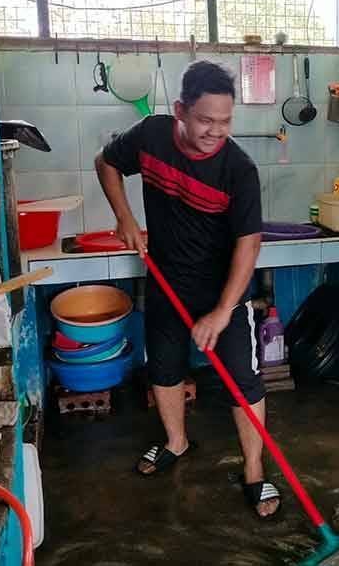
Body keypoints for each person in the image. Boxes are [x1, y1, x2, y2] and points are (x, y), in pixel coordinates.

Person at [94, 60, 280, 518]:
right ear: (180, 110)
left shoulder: (239, 170)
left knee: (242, 379)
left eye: (225, 121)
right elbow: (106, 163)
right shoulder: (151, 136)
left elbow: (249, 245)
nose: (216, 131)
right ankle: (176, 442)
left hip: (224, 292)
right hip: (166, 282)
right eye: (205, 120)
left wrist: (222, 311)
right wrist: (124, 218)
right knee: (163, 370)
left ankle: (254, 469)